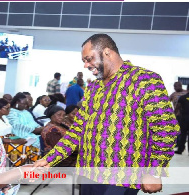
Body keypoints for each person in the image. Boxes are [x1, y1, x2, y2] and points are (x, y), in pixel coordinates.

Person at [34, 33, 179, 195]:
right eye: (84, 61)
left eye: (89, 59)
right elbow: (77, 131)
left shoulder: (144, 80)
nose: (86, 65)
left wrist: (154, 171)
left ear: (107, 52)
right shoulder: (93, 88)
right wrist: (49, 159)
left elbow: (166, 129)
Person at [0, 98, 38, 167]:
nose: (9, 110)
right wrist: (14, 141)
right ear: (0, 109)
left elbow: (10, 132)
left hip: (10, 139)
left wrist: (19, 139)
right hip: (2, 143)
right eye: (7, 108)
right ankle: (19, 170)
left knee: (33, 148)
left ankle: (34, 169)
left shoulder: (4, 118)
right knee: (24, 150)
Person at [175, 84, 189, 155]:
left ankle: (180, 150)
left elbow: (177, 107)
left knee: (183, 134)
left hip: (184, 118)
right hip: (184, 117)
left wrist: (174, 114)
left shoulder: (182, 97)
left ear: (187, 88)